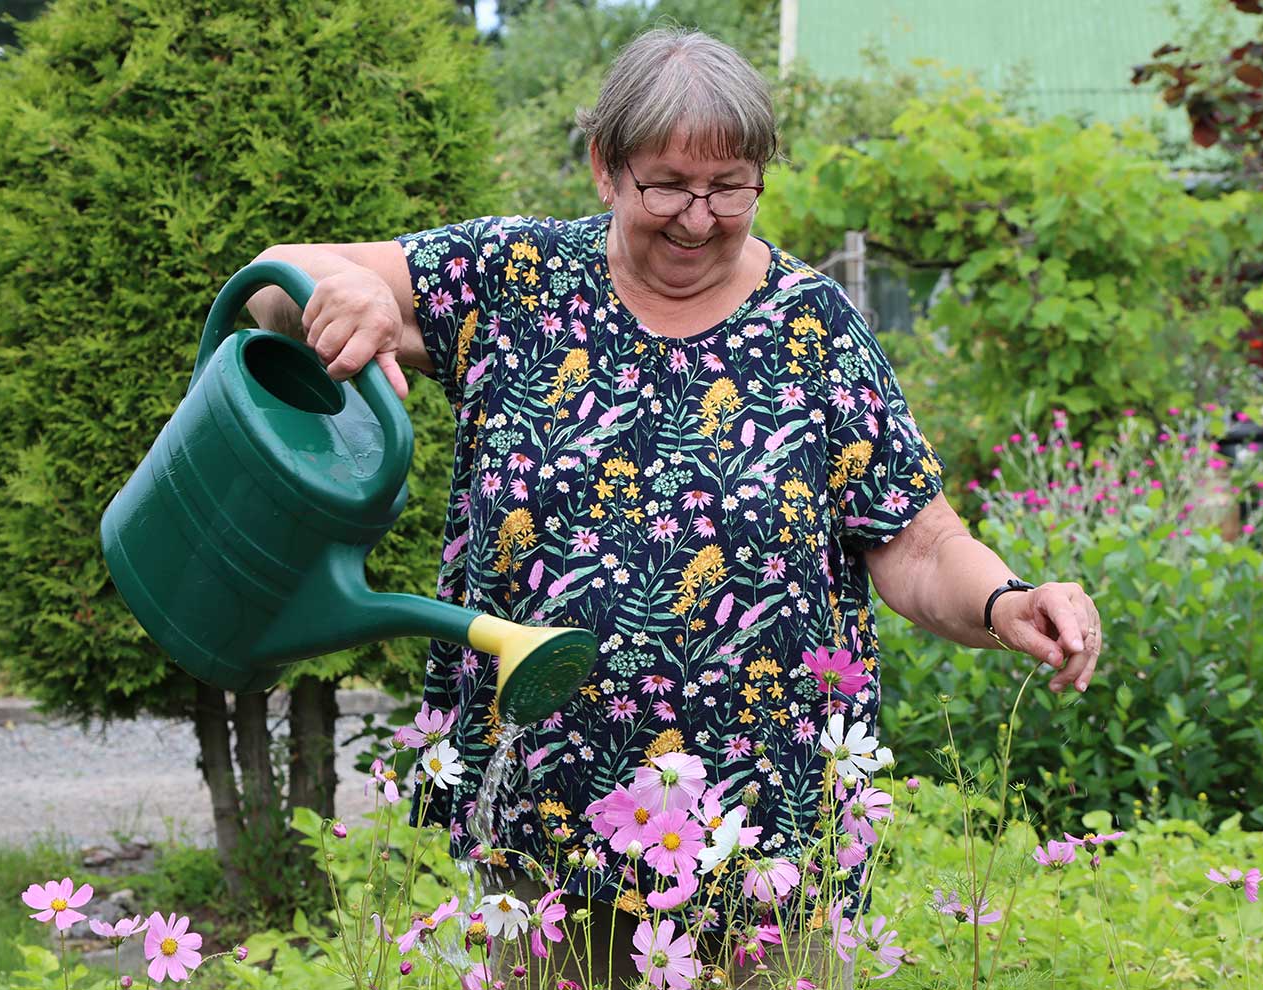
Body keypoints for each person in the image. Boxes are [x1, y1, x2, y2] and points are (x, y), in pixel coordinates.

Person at [245, 27, 1102, 989]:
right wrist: (346, 289)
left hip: (764, 849)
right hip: (541, 823)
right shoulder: (513, 279)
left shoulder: (812, 327)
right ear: (608, 169)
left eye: (730, 187)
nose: (698, 219)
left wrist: (1004, 602)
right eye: (667, 186)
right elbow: (275, 283)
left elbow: (917, 541)